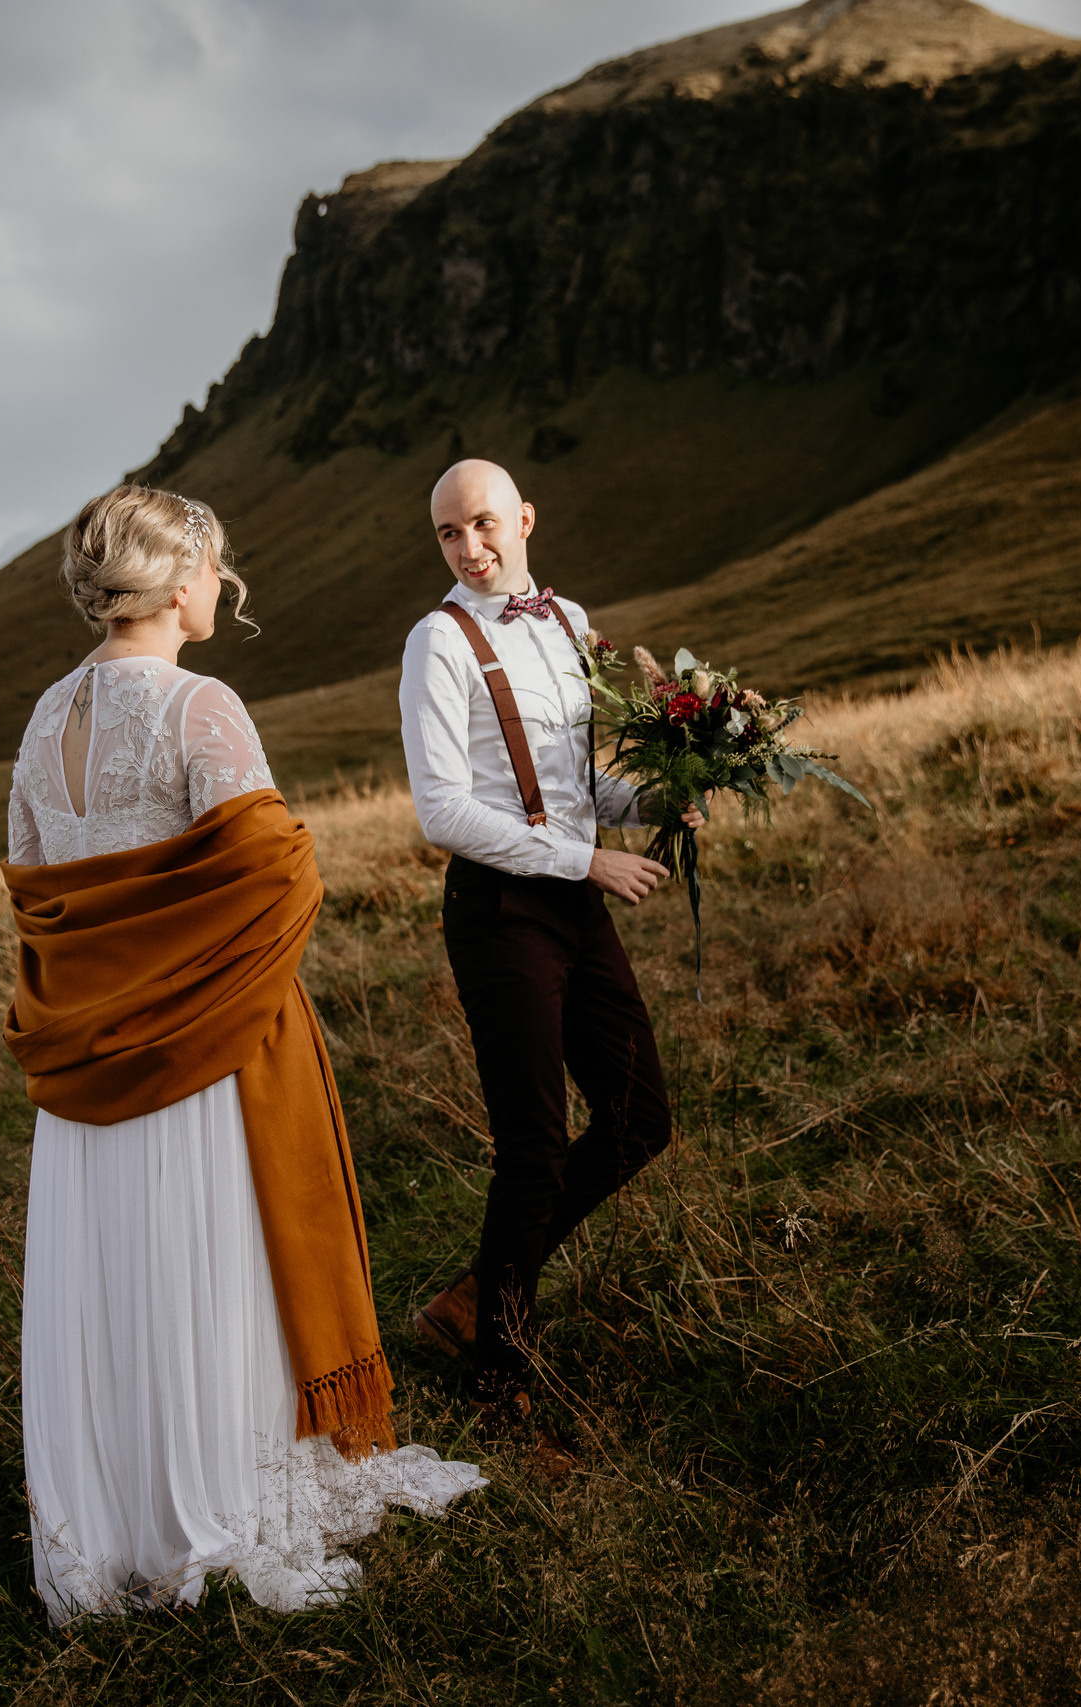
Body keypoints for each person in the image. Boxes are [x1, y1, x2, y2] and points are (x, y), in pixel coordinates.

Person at [4, 485, 484, 1626]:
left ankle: (110, 1524)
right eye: (216, 570)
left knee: (115, 1279)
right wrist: (208, 982)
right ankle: (213, 1510)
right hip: (199, 1054)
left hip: (82, 1067)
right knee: (204, 1268)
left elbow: (37, 887)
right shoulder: (197, 706)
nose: (223, 588)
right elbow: (276, 876)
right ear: (181, 583)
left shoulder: (41, 719)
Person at [395, 458, 701, 1463]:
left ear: (524, 518)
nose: (471, 547)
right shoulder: (437, 643)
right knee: (534, 1146)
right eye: (449, 534)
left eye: (485, 524)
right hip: (498, 910)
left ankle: (478, 1294)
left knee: (639, 1118)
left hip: (573, 892)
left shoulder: (569, 621)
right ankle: (500, 1388)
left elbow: (574, 786)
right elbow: (442, 809)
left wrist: (656, 800)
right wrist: (584, 861)